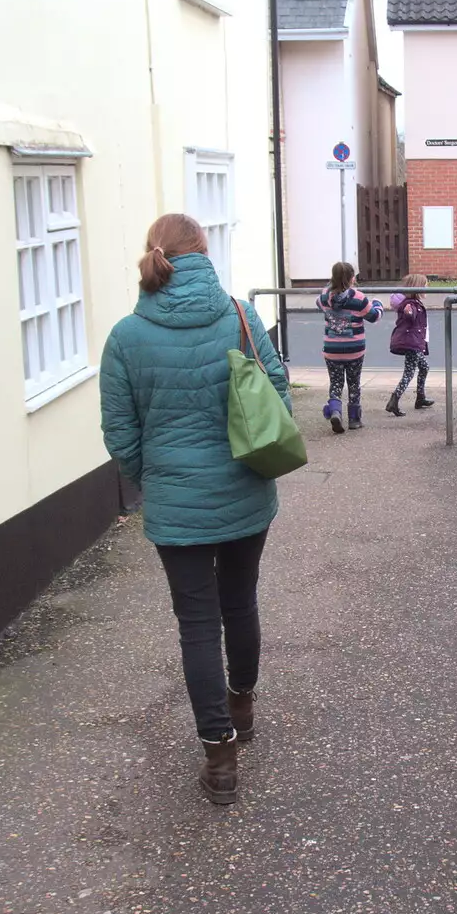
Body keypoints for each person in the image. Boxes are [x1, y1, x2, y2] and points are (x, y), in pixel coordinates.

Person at [100, 214, 292, 805]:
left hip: (175, 506)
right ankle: (244, 704)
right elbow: (278, 389)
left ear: (153, 256)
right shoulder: (239, 315)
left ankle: (221, 756)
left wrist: (154, 480)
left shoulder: (126, 337)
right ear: (203, 253)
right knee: (240, 602)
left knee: (197, 626)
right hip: (243, 492)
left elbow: (120, 433)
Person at [317, 261, 381, 433]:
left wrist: (330, 287)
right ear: (353, 278)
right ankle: (354, 419)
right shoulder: (358, 298)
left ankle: (335, 410)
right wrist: (378, 305)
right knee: (354, 383)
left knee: (336, 382)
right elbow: (374, 317)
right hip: (354, 349)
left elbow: (319, 303)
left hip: (332, 349)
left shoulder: (324, 296)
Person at [385, 273, 435, 416]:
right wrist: (408, 313)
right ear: (418, 288)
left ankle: (420, 397)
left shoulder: (414, 303)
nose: (427, 289)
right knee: (409, 373)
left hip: (414, 342)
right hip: (411, 343)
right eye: (425, 286)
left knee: (424, 367)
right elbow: (409, 315)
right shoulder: (409, 304)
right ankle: (394, 401)